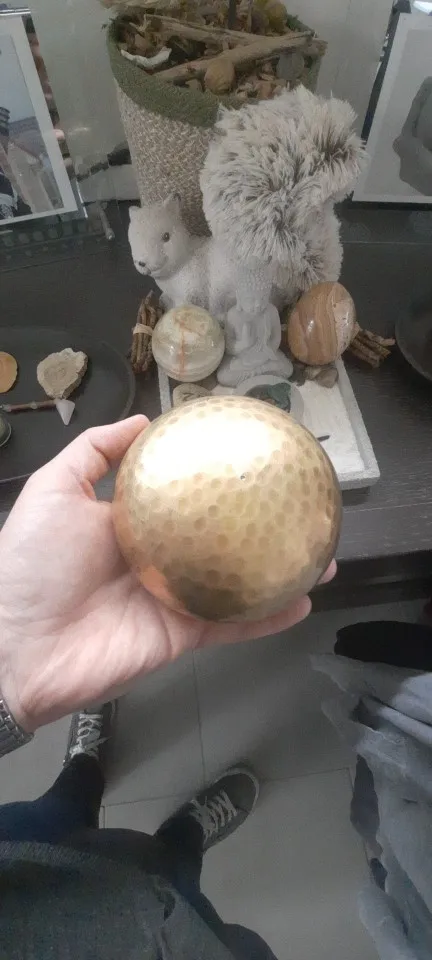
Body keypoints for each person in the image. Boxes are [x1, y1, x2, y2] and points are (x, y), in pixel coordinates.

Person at [0, 415, 335, 960]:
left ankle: (82, 774)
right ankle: (183, 839)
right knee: (172, 882)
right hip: (162, 944)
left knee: (48, 821)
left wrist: (8, 664)